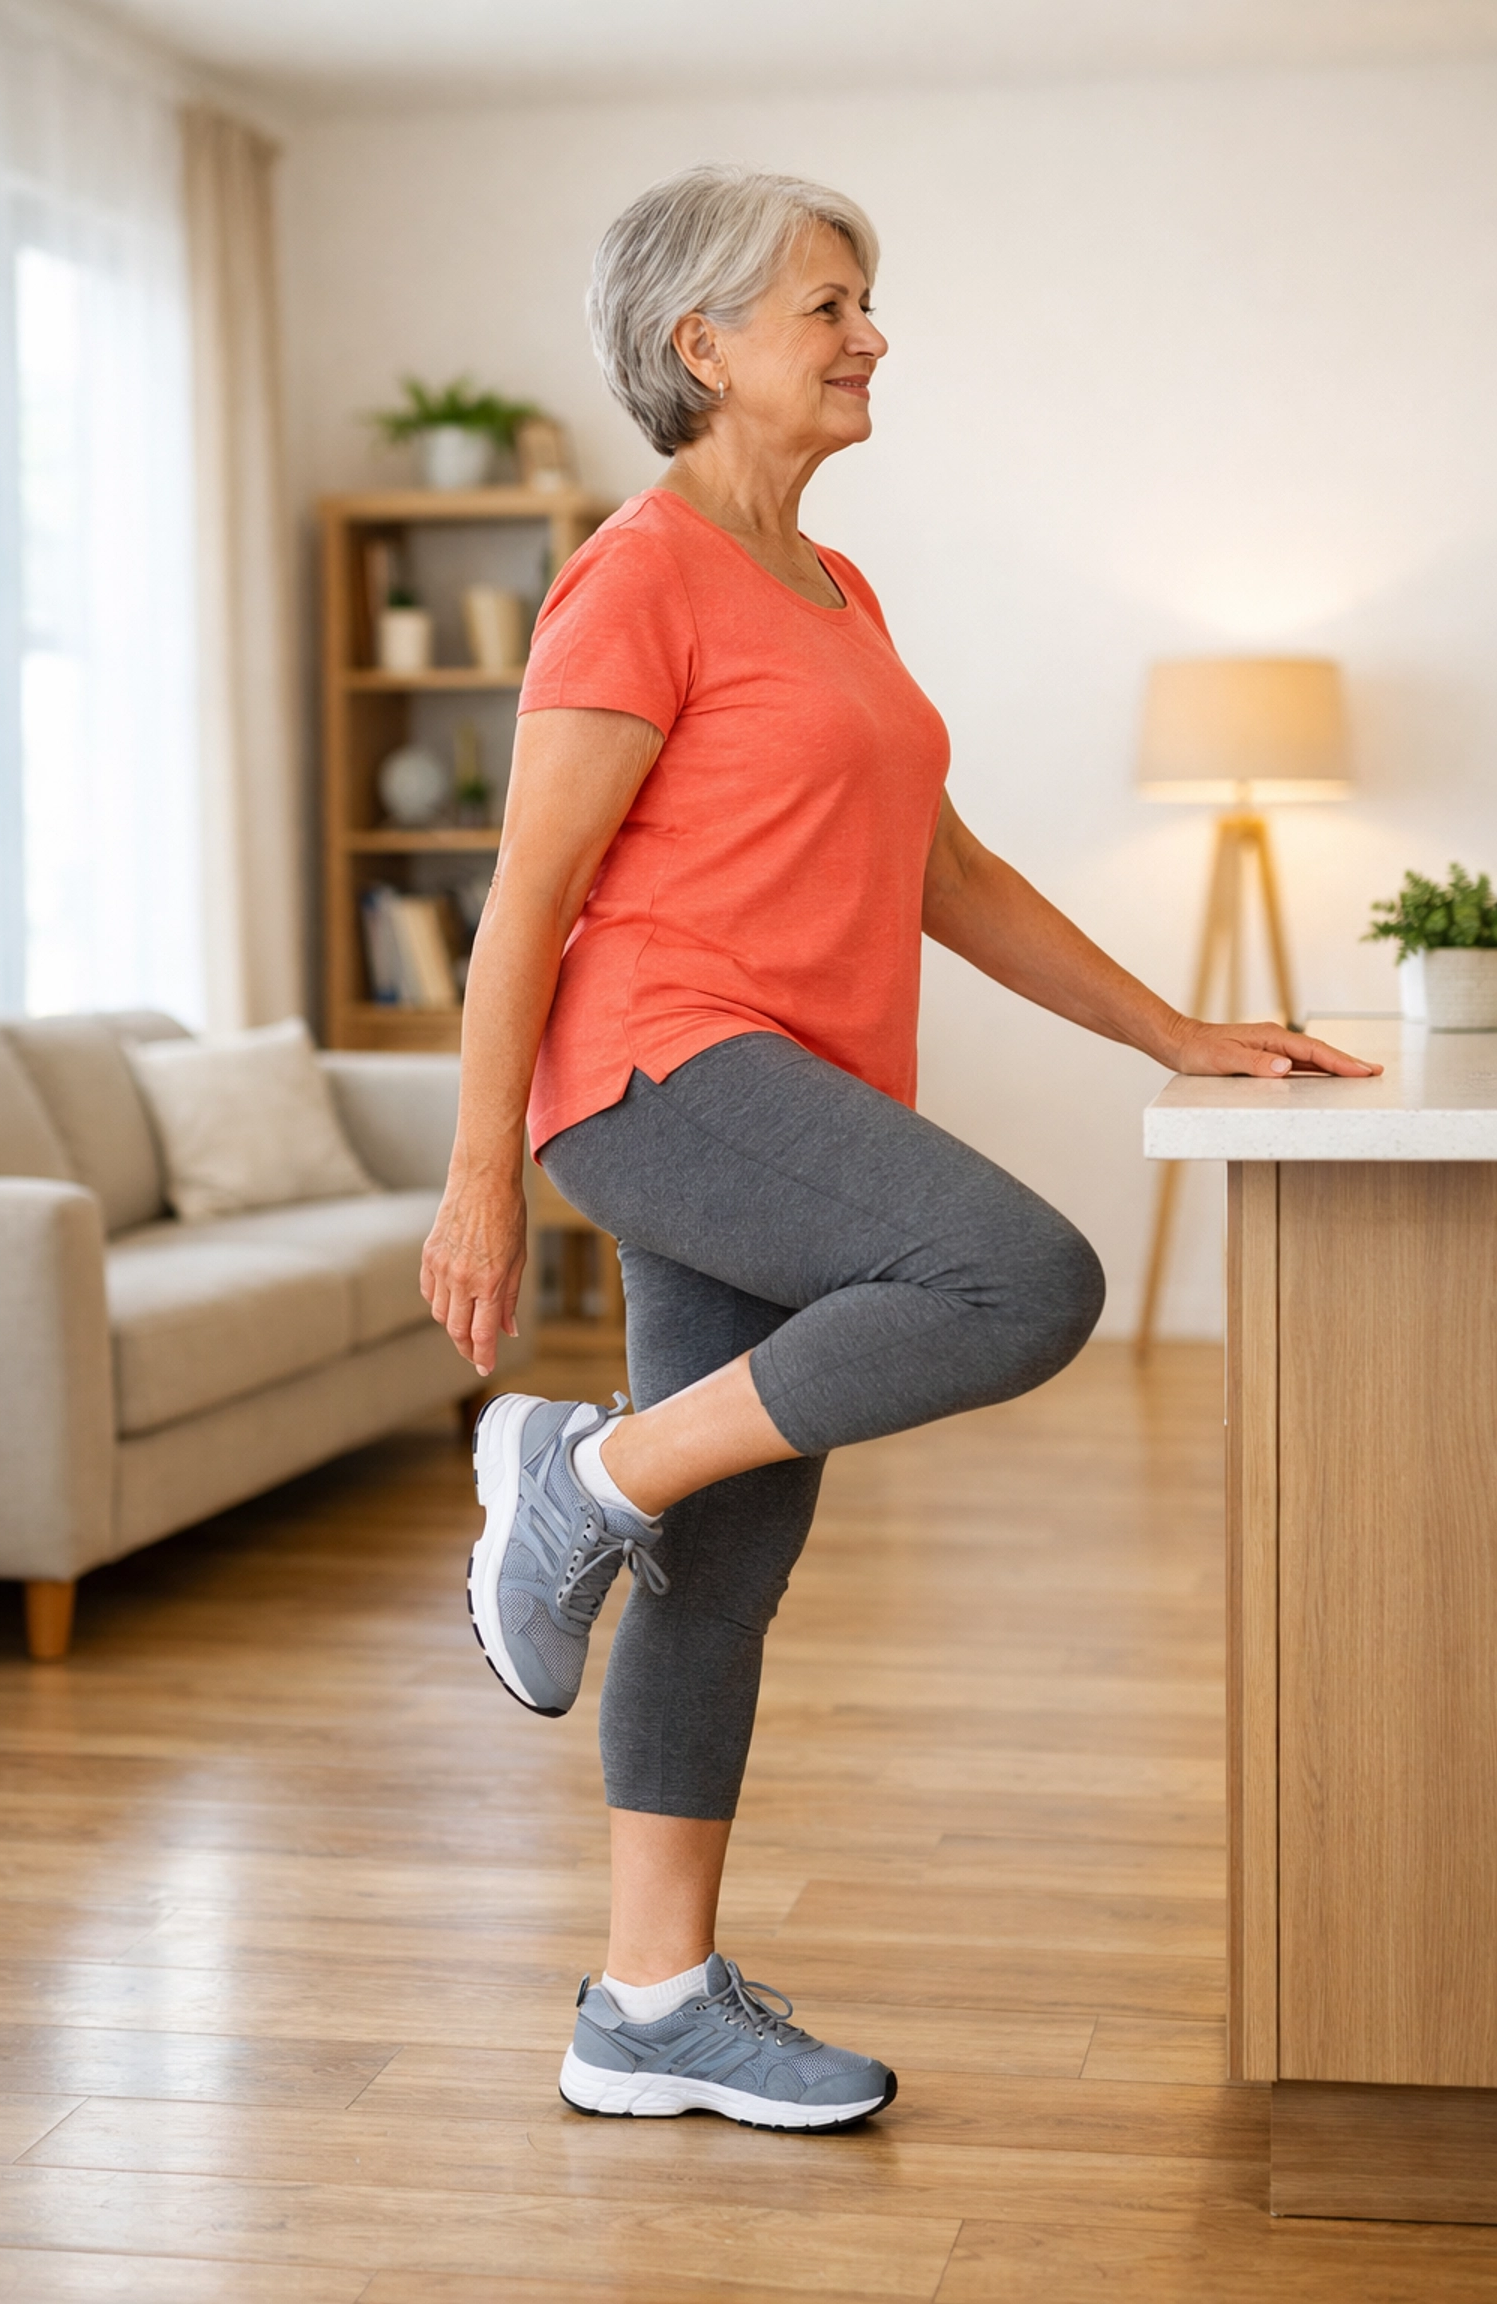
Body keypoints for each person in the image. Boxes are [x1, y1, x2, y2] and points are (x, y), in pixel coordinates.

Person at [420, 163, 1378, 2133]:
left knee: (726, 1554)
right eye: (829, 305)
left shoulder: (832, 588)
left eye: (866, 304)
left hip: (792, 1086)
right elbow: (525, 900)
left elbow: (946, 869)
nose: (870, 337)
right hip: (665, 1071)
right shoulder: (637, 572)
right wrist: (478, 1176)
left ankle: (650, 2000)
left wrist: (1177, 1028)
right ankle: (574, 1470)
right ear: (704, 348)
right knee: (1027, 1278)